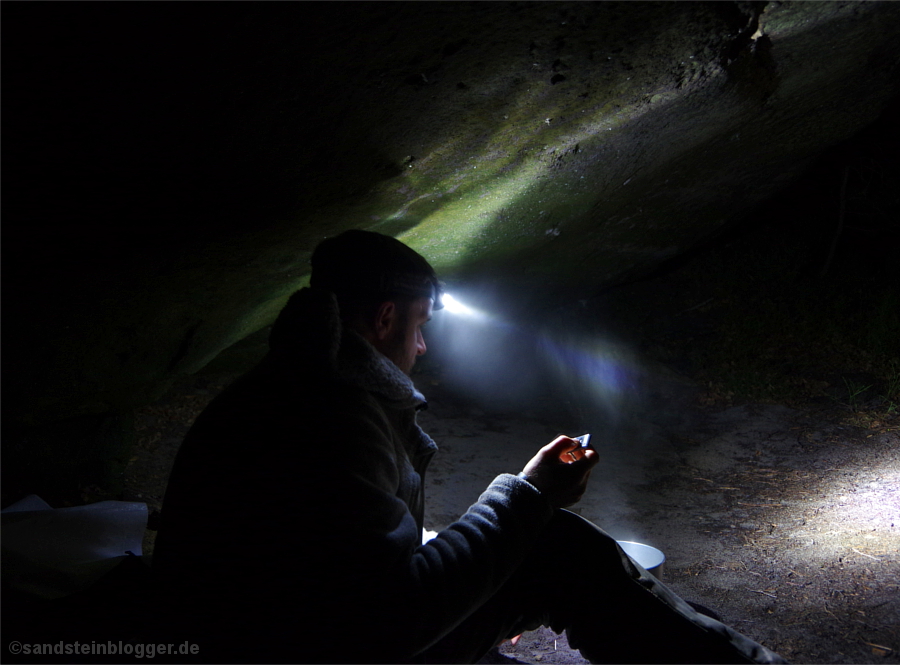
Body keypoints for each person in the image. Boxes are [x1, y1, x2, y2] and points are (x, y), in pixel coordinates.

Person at [152, 229, 786, 664]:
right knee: (553, 548)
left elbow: (348, 569)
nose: (422, 347)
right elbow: (387, 623)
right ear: (383, 321)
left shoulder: (285, 388)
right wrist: (530, 496)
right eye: (420, 325)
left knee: (532, 552)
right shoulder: (332, 416)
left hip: (285, 636)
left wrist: (490, 558)